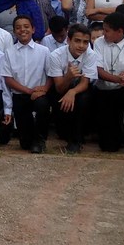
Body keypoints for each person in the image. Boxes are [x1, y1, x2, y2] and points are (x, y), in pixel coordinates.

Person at [92, 12, 124, 154]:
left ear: (120, 31)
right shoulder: (98, 43)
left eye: (107, 30)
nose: (104, 33)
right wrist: (118, 79)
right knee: (108, 146)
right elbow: (98, 70)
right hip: (104, 91)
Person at [1, 14, 52, 154]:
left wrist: (44, 90)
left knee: (43, 106)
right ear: (14, 31)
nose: (22, 30)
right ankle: (29, 138)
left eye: (26, 27)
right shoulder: (9, 52)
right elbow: (8, 79)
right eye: (18, 28)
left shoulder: (44, 51)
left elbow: (50, 75)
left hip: (39, 95)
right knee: (25, 143)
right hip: (20, 96)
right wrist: (28, 91)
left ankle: (40, 139)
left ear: (33, 29)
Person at [46, 23, 97, 154]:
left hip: (79, 90)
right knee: (62, 128)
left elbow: (85, 83)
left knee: (84, 99)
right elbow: (58, 88)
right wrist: (68, 77)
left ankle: (76, 140)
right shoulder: (56, 55)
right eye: (77, 41)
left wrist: (72, 92)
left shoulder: (91, 55)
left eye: (85, 42)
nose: (81, 46)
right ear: (68, 40)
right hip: (61, 89)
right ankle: (66, 132)